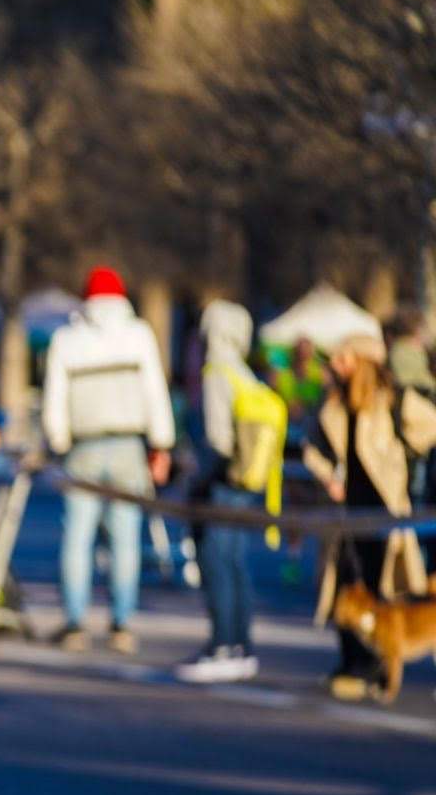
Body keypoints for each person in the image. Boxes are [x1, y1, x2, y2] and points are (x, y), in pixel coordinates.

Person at [41, 266, 175, 653]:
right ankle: (122, 622)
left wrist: (58, 440)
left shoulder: (68, 338)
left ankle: (75, 622)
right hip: (128, 446)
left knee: (78, 539)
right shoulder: (138, 335)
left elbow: (55, 397)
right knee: (126, 539)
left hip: (83, 446)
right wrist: (161, 444)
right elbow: (154, 392)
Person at [304, 335, 436, 701]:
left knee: (384, 594)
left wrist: (403, 458)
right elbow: (312, 446)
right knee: (347, 588)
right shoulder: (333, 403)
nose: (337, 364)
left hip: (385, 512)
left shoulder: (391, 401)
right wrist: (329, 475)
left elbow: (429, 427)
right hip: (347, 512)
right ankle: (351, 662)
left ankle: (375, 666)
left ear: (362, 359)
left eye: (344, 357)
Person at [176, 301, 280, 683]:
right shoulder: (243, 371)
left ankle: (222, 645)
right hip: (245, 482)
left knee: (216, 562)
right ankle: (240, 644)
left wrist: (199, 478)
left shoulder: (215, 372)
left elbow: (218, 440)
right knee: (236, 563)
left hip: (220, 481)